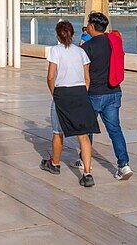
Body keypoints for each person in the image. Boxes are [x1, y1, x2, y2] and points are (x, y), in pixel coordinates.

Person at [40, 20, 98, 187]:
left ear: (58, 35)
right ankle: (87, 173)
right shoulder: (81, 52)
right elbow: (87, 78)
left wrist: (55, 93)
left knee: (58, 132)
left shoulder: (55, 51)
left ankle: (55, 164)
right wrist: (82, 93)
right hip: (80, 92)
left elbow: (51, 76)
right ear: (72, 34)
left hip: (62, 92)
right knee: (83, 135)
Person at [81, 12, 133, 181]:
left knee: (87, 129)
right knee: (115, 130)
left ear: (93, 27)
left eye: (89, 24)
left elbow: (82, 72)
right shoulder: (113, 42)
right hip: (114, 92)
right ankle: (124, 165)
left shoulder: (87, 47)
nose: (87, 26)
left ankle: (83, 159)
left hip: (94, 94)